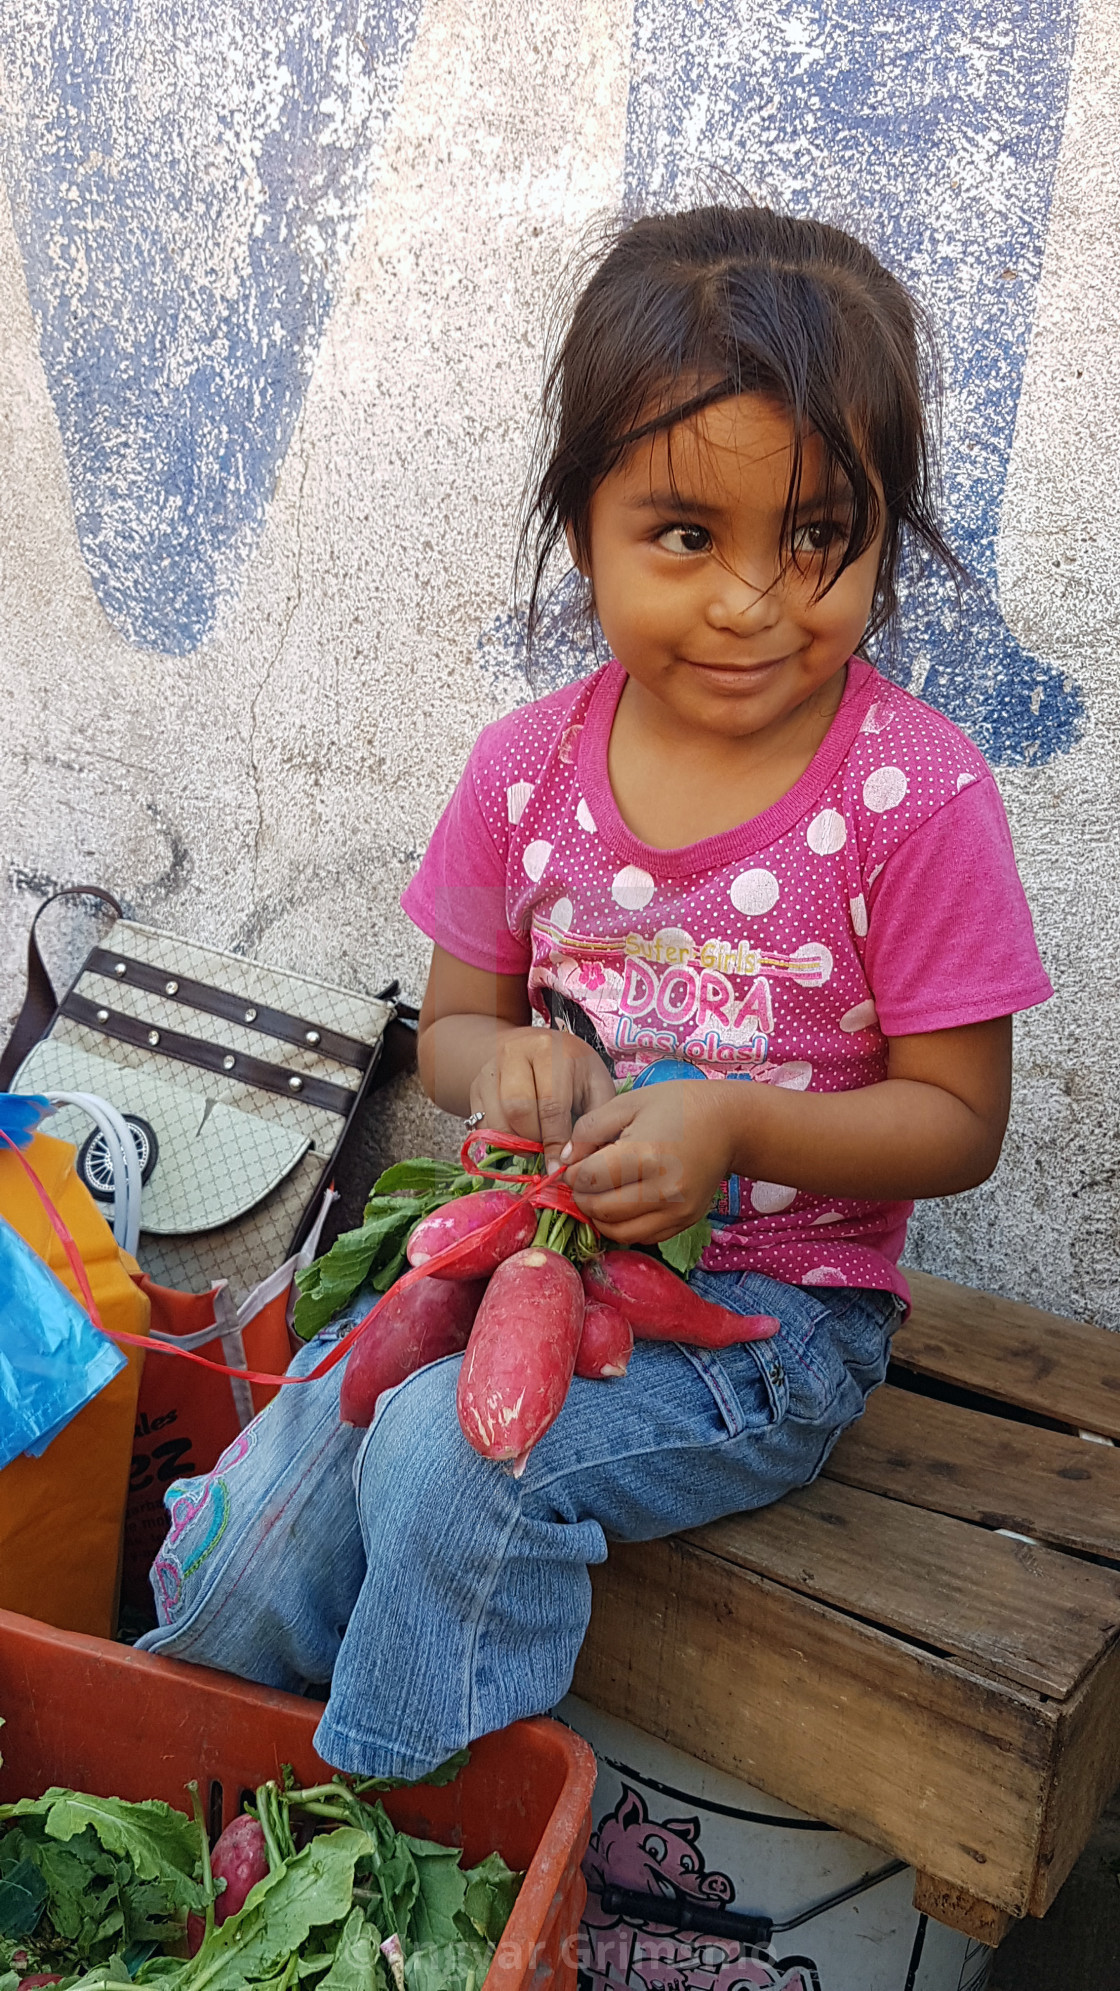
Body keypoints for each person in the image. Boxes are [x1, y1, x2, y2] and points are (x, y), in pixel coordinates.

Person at [138, 205, 1051, 1777]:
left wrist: (737, 1124)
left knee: (447, 1458)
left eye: (821, 536)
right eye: (688, 536)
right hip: (527, 1254)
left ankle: (397, 1838)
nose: (756, 599)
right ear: (585, 527)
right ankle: (197, 1771)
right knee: (279, 1504)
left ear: (890, 530)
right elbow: (461, 1030)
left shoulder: (915, 796)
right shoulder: (526, 772)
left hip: (769, 1315)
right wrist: (510, 1077)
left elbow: (959, 1121)